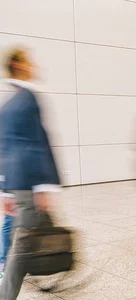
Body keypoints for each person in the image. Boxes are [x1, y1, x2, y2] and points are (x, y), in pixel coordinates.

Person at [0, 48, 61, 299]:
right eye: (29, 61)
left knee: (21, 234)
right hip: (27, 181)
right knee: (24, 243)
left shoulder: (9, 102)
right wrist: (45, 185)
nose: (34, 65)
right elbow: (38, 143)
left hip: (14, 181)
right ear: (19, 65)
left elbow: (4, 147)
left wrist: (4, 189)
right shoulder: (29, 97)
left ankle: (23, 274)